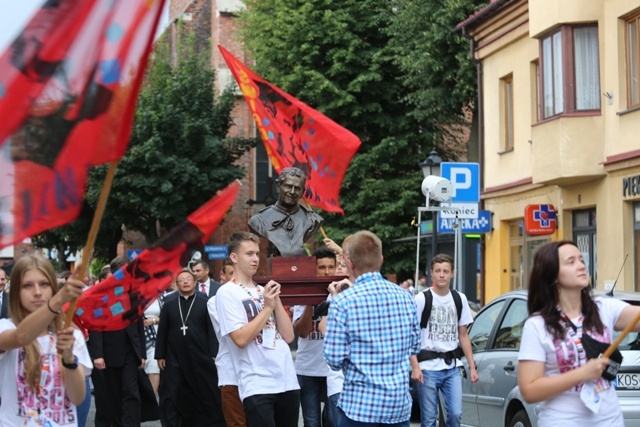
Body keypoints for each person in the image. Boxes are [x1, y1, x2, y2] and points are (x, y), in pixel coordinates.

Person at [518, 241, 640, 426]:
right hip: (562, 421)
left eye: (582, 260)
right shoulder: (537, 325)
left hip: (610, 420)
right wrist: (581, 374)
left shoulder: (603, 308)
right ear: (552, 275)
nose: (581, 266)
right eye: (571, 262)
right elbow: (529, 390)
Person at [324, 230, 421, 427]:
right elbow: (415, 346)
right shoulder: (405, 297)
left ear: (349, 262)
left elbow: (333, 359)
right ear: (381, 260)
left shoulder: (343, 302)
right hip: (398, 407)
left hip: (359, 407)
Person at [216, 231, 299, 427]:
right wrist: (267, 307)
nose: (255, 259)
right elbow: (240, 339)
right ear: (234, 257)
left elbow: (288, 336)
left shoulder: (264, 291)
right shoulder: (226, 293)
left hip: (287, 378)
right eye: (249, 254)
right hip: (257, 382)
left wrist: (275, 301)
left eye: (257, 253)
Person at [0, 255, 91, 426]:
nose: (37, 292)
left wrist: (69, 359)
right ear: (15, 292)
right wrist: (59, 300)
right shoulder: (4, 327)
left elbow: (78, 398)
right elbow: (21, 337)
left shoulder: (69, 334)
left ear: (52, 288)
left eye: (44, 284)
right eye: (27, 285)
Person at [409, 253, 478, 427]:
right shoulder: (421, 299)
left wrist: (472, 366)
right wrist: (415, 367)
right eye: (438, 271)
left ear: (452, 274)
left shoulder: (459, 298)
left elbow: (463, 335)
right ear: (431, 274)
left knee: (455, 414)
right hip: (427, 368)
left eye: (445, 271)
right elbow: (410, 335)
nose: (442, 275)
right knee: (429, 419)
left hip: (452, 367)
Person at [87, 256, 151, 427]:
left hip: (130, 351)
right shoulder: (101, 297)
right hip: (109, 352)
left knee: (132, 392)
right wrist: (98, 354)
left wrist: (142, 353)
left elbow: (138, 325)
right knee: (113, 394)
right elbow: (95, 326)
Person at [155, 269, 224, 427]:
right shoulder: (169, 303)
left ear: (194, 283)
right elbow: (163, 330)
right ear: (176, 284)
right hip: (174, 355)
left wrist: (214, 353)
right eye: (181, 280)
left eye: (188, 279)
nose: (185, 282)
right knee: (173, 391)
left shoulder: (204, 301)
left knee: (204, 390)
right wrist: (160, 355)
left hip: (200, 355)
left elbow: (212, 329)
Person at [293, 247, 336, 427]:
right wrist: (310, 302)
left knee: (334, 420)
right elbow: (302, 332)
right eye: (322, 267)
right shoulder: (303, 293)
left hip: (333, 370)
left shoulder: (342, 292)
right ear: (314, 269)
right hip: (308, 369)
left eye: (331, 267)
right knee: (311, 422)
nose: (327, 272)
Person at [248, 167, 323, 256]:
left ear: (302, 192)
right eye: (288, 186)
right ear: (278, 187)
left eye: (297, 188)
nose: (292, 192)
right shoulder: (258, 221)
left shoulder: (312, 220)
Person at [207, 266, 247, 427]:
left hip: (256, 370)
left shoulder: (256, 295)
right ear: (223, 276)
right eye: (232, 274)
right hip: (230, 371)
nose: (236, 279)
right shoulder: (214, 301)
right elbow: (236, 332)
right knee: (236, 421)